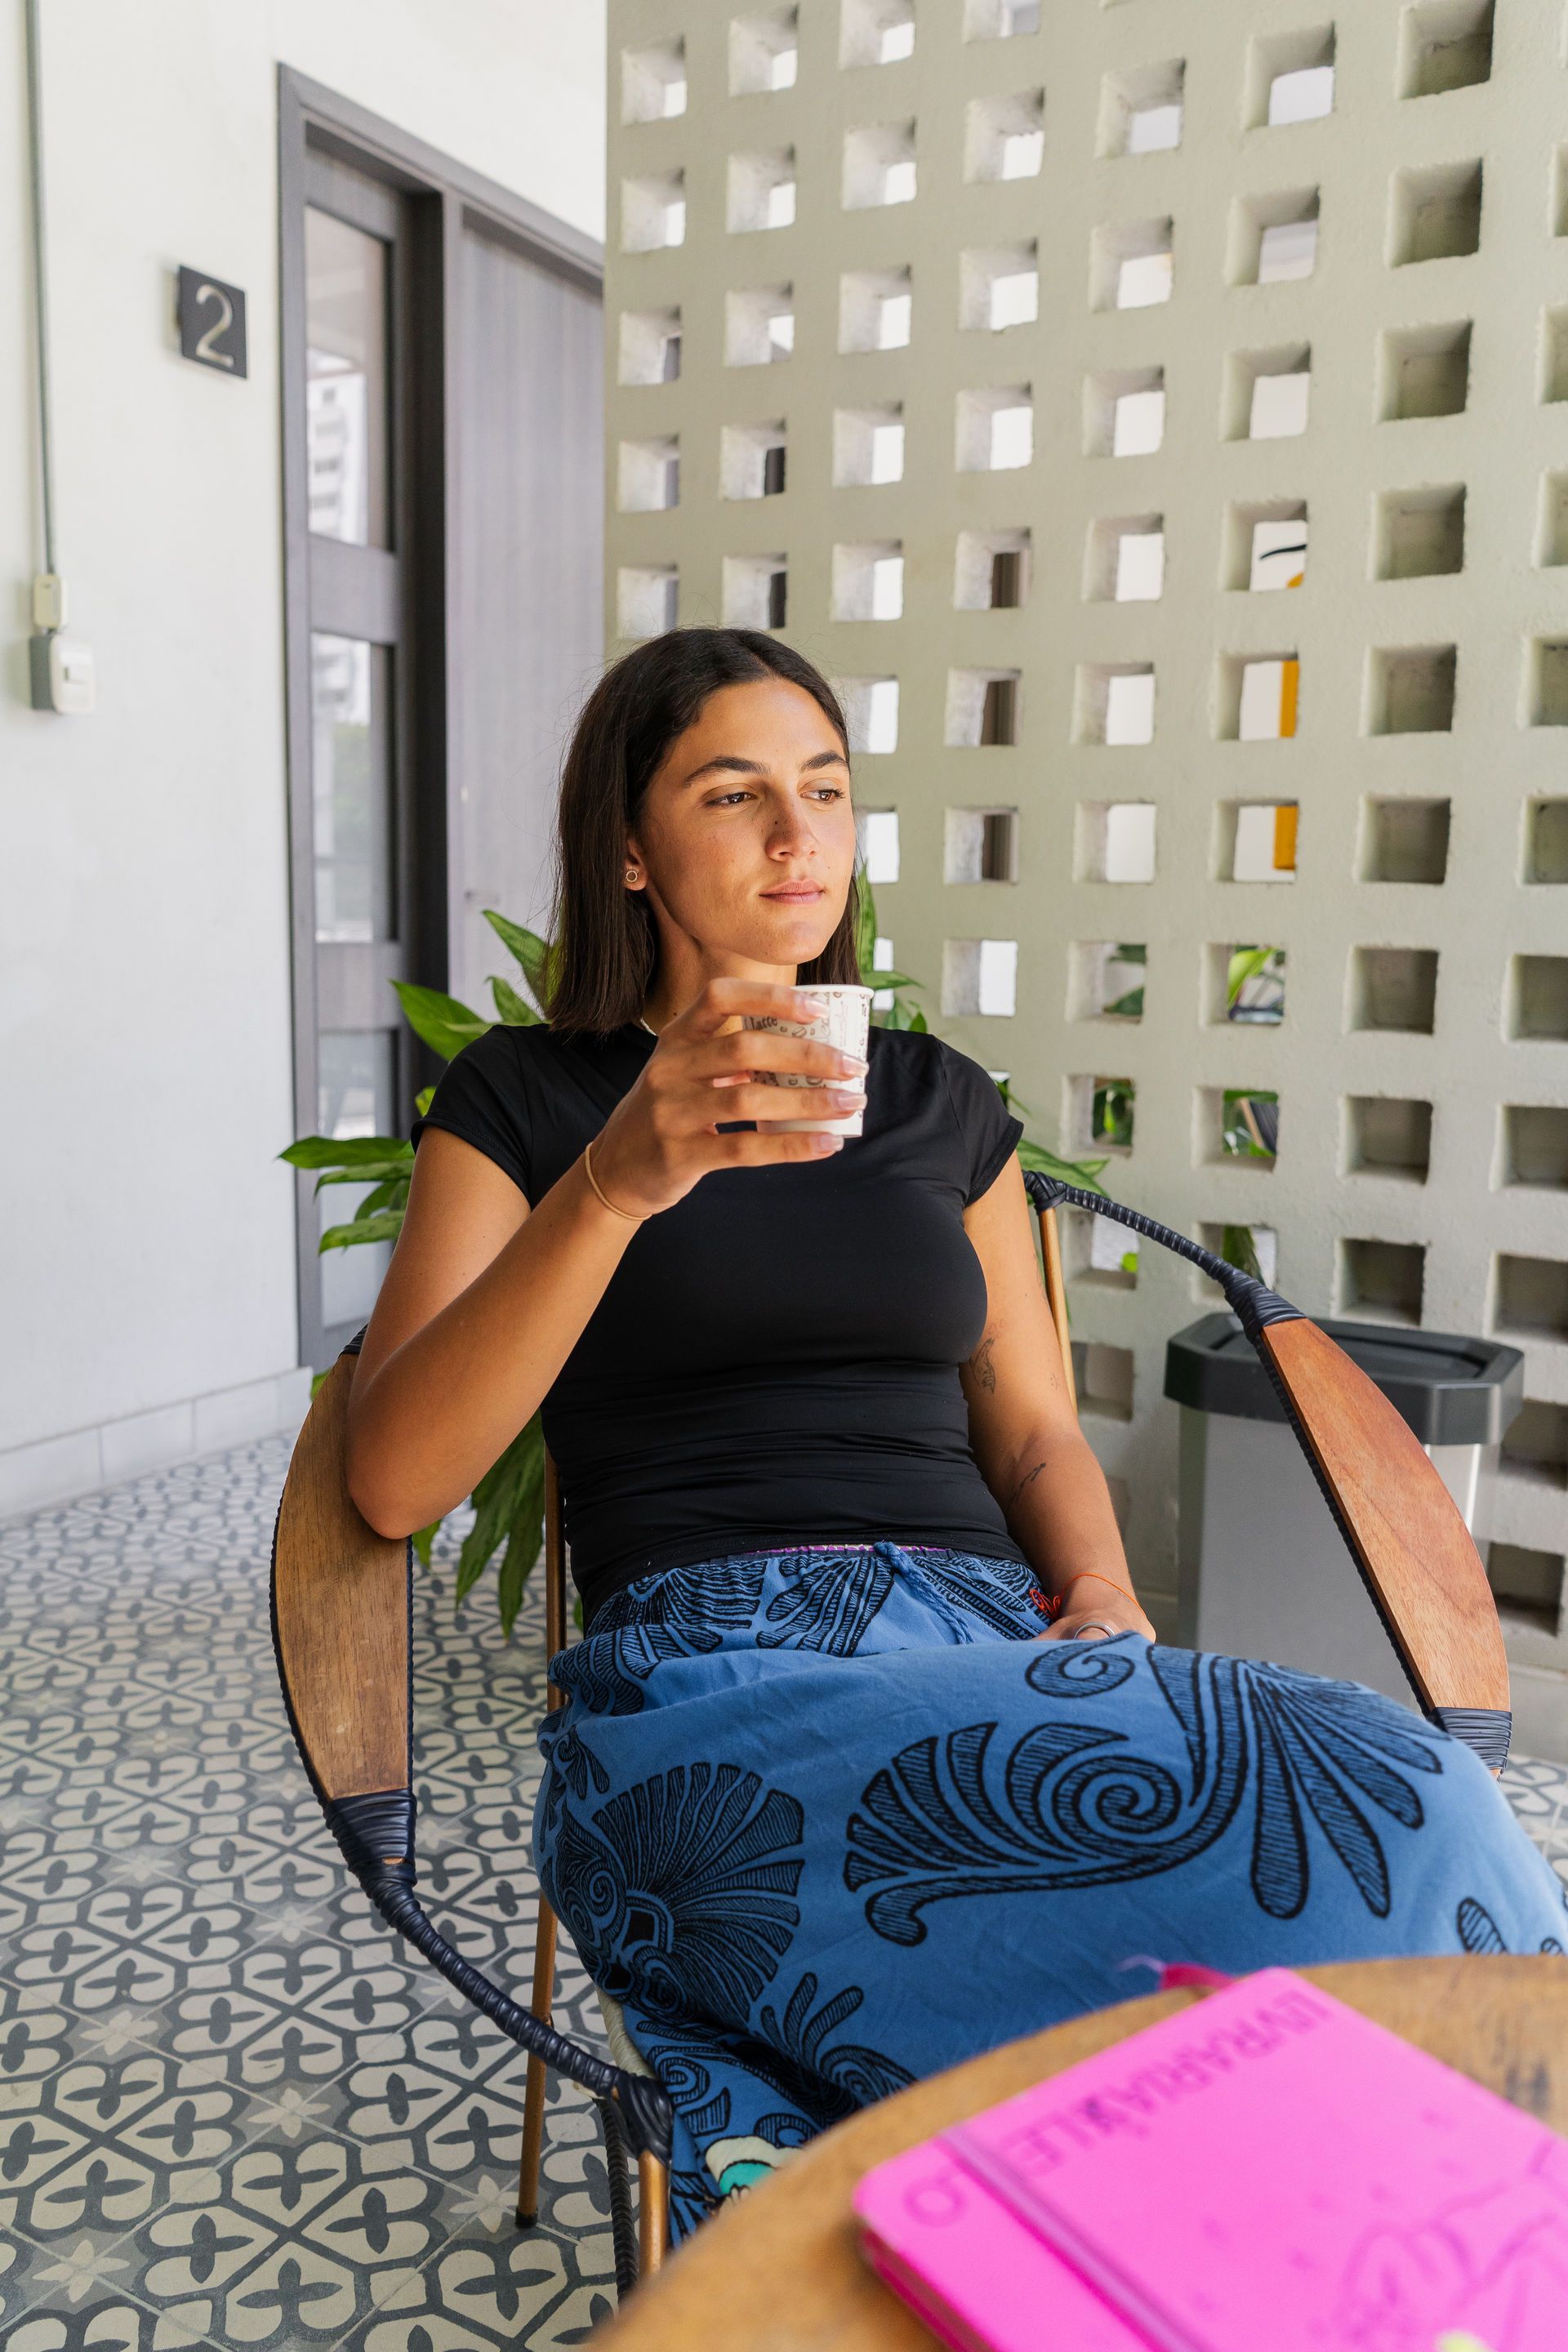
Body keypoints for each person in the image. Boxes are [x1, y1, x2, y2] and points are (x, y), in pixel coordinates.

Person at [346, 628, 1566, 2236]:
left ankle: (1374, 2242)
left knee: (1408, 1802)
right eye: (736, 794)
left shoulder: (929, 1097)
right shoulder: (529, 1102)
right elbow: (391, 1474)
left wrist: (1109, 1606)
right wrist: (623, 1180)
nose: (800, 839)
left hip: (993, 1641)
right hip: (715, 1676)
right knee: (1321, 1845)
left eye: (828, 792)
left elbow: (1038, 1435)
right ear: (630, 851)